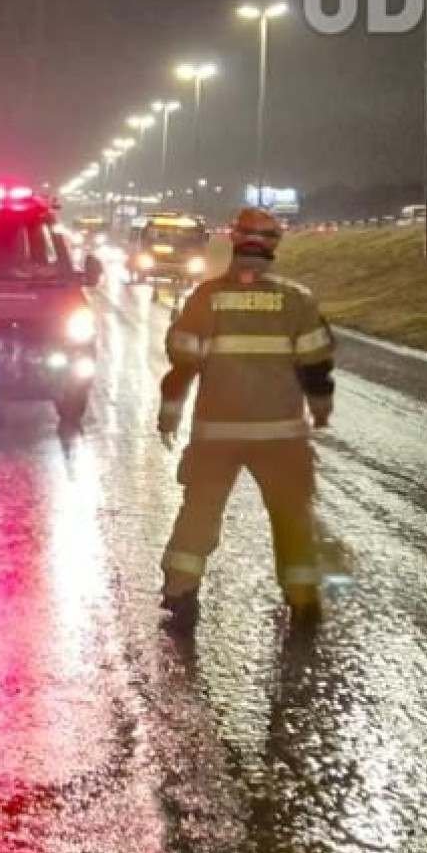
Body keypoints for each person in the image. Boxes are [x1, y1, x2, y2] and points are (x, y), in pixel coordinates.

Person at [156, 206, 336, 627]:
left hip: (216, 434)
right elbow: (316, 364)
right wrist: (321, 410)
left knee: (200, 510)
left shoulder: (205, 298)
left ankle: (181, 593)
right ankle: (303, 599)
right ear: (274, 246)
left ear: (233, 242)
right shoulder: (296, 300)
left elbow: (182, 366)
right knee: (291, 514)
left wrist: (169, 416)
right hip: (281, 437)